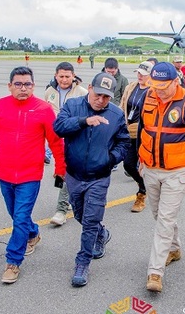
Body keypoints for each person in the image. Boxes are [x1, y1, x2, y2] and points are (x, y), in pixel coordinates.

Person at [0, 66, 65, 284]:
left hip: (30, 174)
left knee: (19, 218)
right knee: (16, 215)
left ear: (33, 86)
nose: (23, 88)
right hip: (5, 173)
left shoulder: (43, 109)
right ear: (10, 86)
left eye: (27, 84)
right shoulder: (0, 106)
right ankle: (33, 233)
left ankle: (13, 262)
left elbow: (55, 142)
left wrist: (60, 168)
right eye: (18, 84)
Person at [54, 72, 130, 287]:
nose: (101, 100)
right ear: (89, 88)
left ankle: (83, 262)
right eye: (98, 94)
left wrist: (110, 159)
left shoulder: (116, 114)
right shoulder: (72, 106)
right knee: (79, 213)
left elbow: (124, 142)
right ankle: (101, 232)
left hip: (99, 176)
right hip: (74, 175)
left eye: (106, 97)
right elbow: (58, 128)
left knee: (89, 220)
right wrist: (84, 121)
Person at [141, 62, 185, 293]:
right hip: (150, 168)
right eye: (155, 86)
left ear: (175, 81)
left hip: (177, 171)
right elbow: (143, 127)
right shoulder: (148, 96)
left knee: (165, 219)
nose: (158, 90)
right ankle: (174, 249)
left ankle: (155, 272)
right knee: (159, 214)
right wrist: (141, 158)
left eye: (163, 86)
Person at [44, 62, 89, 226]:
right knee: (64, 172)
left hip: (75, 138)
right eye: (61, 76)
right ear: (56, 76)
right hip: (56, 139)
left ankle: (61, 210)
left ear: (73, 76)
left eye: (67, 76)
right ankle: (74, 197)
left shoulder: (82, 93)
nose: (64, 80)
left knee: (67, 170)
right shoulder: (49, 91)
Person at [119, 61, 154, 213]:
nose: (140, 76)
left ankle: (142, 194)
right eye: (138, 72)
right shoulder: (131, 87)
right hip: (130, 131)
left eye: (143, 74)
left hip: (146, 133)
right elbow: (122, 106)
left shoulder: (154, 90)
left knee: (147, 165)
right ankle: (143, 186)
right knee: (128, 164)